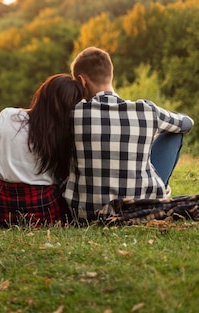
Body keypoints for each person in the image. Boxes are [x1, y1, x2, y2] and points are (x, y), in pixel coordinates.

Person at [64, 46, 194, 222]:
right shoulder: (146, 110)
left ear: (82, 81)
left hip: (84, 213)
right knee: (174, 133)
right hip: (142, 205)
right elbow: (187, 124)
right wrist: (152, 134)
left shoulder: (72, 113)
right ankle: (159, 189)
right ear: (110, 75)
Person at [0, 74, 84, 227]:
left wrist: (15, 174)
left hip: (3, 211)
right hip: (45, 212)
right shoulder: (65, 135)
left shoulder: (7, 116)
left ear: (42, 93)